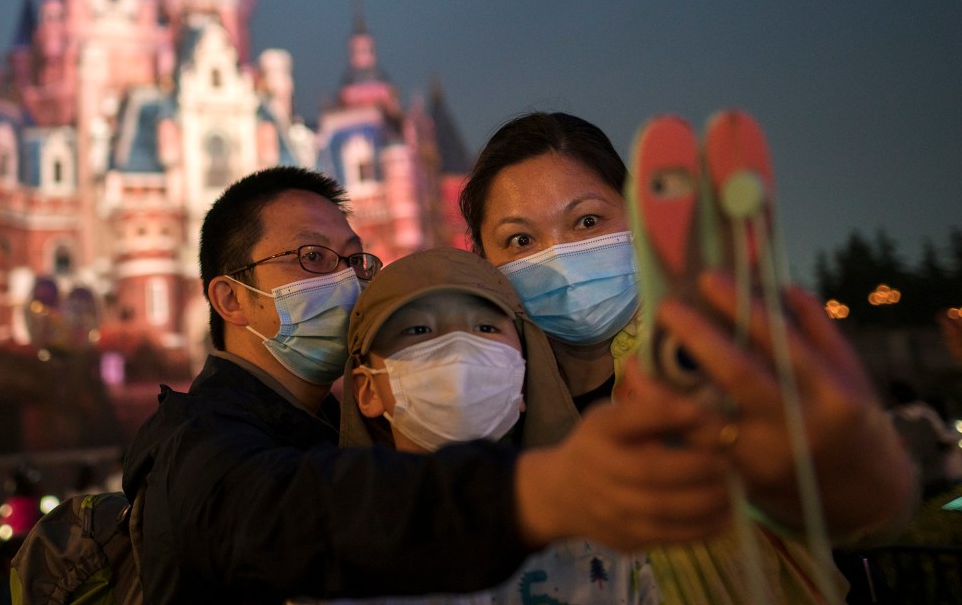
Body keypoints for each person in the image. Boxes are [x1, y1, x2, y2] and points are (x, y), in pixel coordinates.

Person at [121, 166, 737, 605]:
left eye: (354, 261)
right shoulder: (200, 443)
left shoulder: (308, 434)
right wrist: (539, 492)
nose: (345, 281)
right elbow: (290, 516)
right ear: (231, 298)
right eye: (311, 258)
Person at [458, 110, 916, 602]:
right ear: (484, 262)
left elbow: (863, 518)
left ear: (638, 218)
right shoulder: (488, 404)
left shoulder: (719, 361)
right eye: (521, 240)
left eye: (587, 221)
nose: (560, 255)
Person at [338, 245, 659, 605]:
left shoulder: (607, 537)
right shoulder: (333, 552)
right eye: (418, 329)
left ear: (522, 378)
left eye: (486, 327)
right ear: (367, 390)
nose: (458, 349)